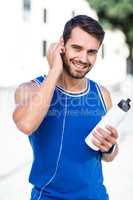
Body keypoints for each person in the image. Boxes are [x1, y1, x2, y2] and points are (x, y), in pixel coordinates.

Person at [13, 15, 119, 200]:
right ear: (62, 44)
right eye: (77, 48)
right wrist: (55, 70)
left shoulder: (102, 95)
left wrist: (109, 148)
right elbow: (26, 125)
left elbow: (108, 155)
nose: (83, 58)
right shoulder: (31, 89)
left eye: (91, 52)